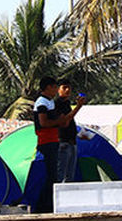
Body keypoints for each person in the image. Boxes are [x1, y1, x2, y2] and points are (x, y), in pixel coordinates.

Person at [33, 76, 65, 212]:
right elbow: (43, 123)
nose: (55, 90)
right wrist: (58, 121)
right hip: (46, 141)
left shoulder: (50, 102)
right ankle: (43, 205)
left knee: (54, 175)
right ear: (47, 88)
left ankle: (48, 204)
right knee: (51, 175)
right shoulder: (42, 102)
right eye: (54, 87)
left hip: (53, 139)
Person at [54, 80, 89, 184]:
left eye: (69, 88)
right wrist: (78, 106)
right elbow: (64, 121)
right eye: (64, 88)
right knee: (61, 174)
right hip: (63, 142)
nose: (67, 90)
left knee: (70, 175)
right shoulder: (57, 104)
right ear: (58, 89)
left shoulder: (66, 103)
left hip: (71, 141)